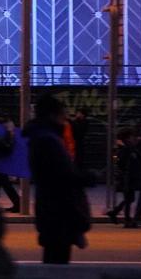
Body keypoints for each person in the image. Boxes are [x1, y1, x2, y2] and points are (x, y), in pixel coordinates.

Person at [23, 94, 95, 264]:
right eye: (63, 113)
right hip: (59, 212)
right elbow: (64, 176)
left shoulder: (43, 137)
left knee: (54, 258)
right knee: (57, 261)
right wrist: (89, 177)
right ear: (52, 114)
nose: (65, 117)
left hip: (52, 210)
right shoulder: (49, 140)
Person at [106, 127, 141, 228]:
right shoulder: (123, 148)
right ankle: (127, 220)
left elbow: (138, 155)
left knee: (129, 198)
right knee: (129, 198)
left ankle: (115, 213)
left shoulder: (129, 146)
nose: (133, 138)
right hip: (126, 176)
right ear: (127, 137)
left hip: (130, 175)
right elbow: (118, 161)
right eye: (132, 136)